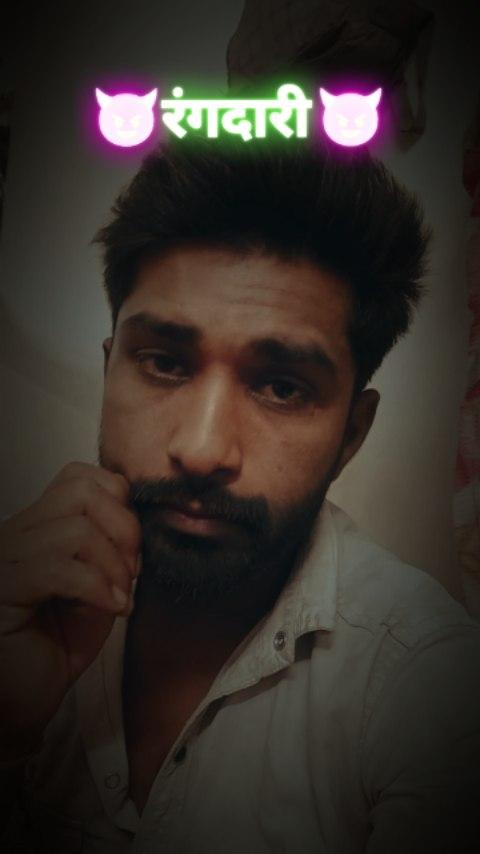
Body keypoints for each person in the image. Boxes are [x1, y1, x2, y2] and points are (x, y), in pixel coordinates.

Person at [0, 138, 479, 854]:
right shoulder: (17, 606)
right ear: (110, 371)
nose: (200, 449)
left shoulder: (428, 688)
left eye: (282, 387)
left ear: (352, 433)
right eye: (164, 363)